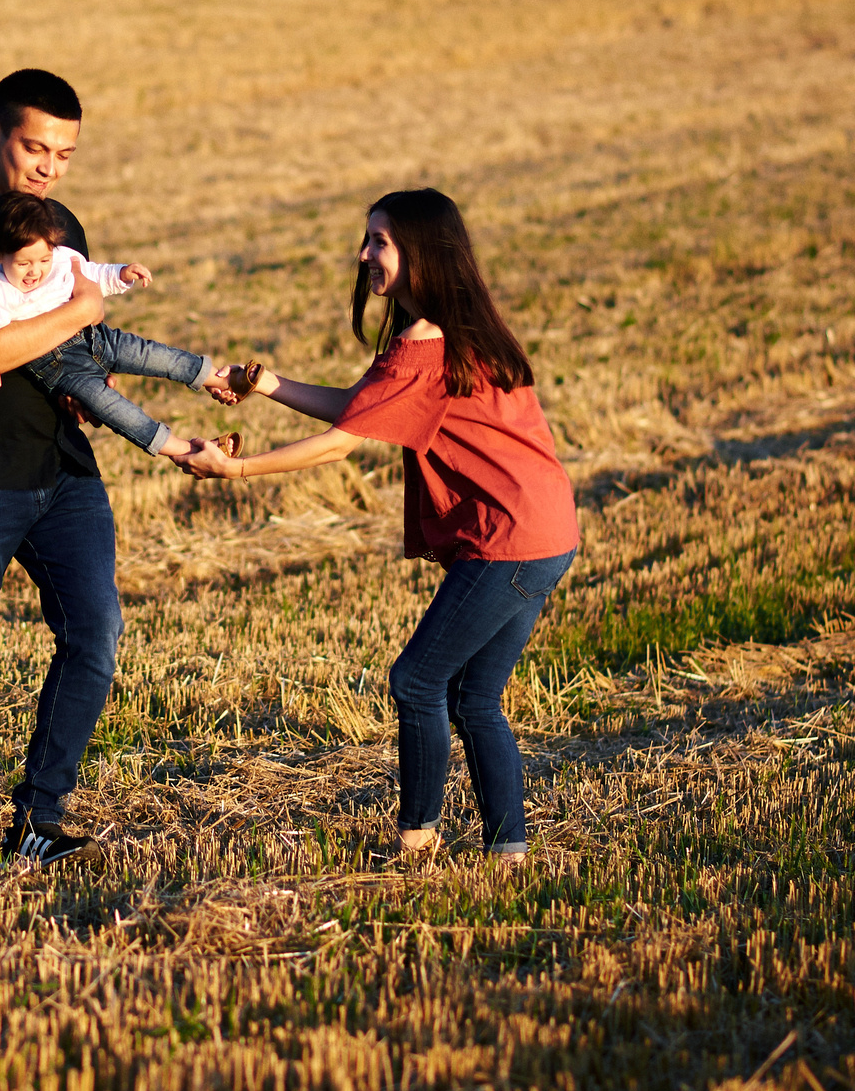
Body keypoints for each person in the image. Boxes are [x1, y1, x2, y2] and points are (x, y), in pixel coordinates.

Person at [176, 189, 579, 865]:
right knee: (474, 697)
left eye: (380, 241)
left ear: (420, 251)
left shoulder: (423, 343)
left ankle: (416, 842)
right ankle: (509, 853)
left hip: (506, 539)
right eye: (367, 238)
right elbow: (365, 407)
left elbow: (344, 439)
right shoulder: (462, 327)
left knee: (417, 682)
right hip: (547, 529)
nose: (364, 253)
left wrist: (238, 472)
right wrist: (272, 385)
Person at [0, 69, 223, 871]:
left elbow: (75, 351)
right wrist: (80, 313)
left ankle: (39, 817)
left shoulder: (61, 221)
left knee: (97, 635)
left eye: (65, 153)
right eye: (35, 146)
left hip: (64, 470)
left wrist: (118, 393)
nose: (49, 167)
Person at [0, 189, 244, 462]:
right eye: (23, 263)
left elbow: (92, 273)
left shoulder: (61, 259)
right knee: (113, 409)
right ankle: (184, 450)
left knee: (155, 355)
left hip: (97, 337)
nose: (35, 271)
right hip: (63, 368)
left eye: (43, 259)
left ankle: (220, 380)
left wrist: (121, 273)